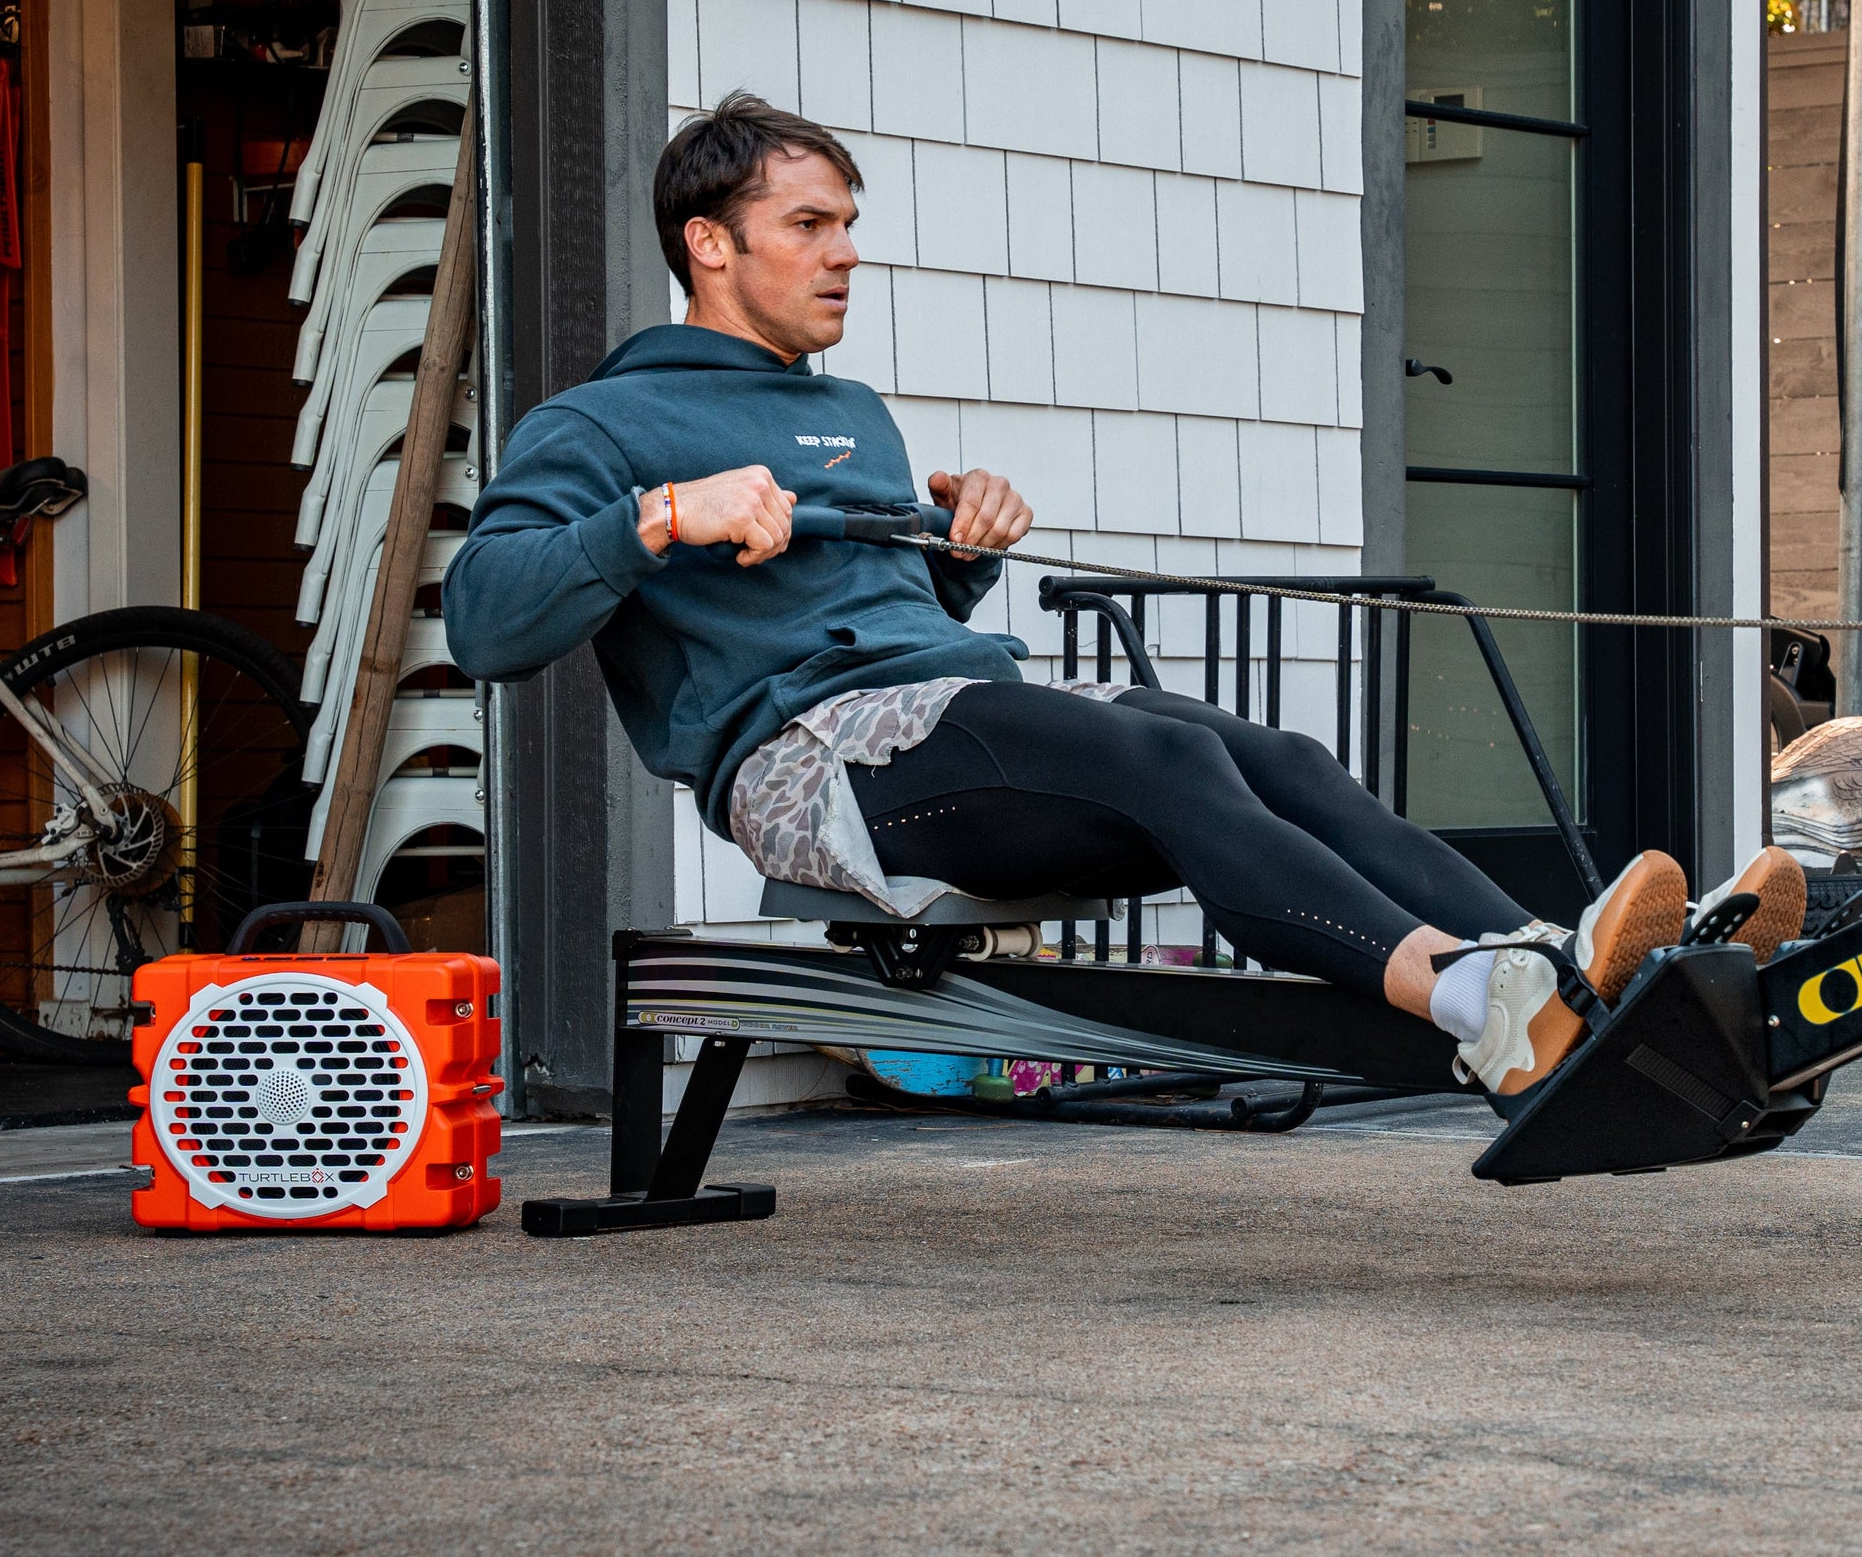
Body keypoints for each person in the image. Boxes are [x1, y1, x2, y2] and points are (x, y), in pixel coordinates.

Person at [444, 92, 1806, 1098]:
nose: (842, 253)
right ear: (707, 245)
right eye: (806, 226)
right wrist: (662, 516)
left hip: (944, 712)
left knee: (1266, 752)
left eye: (847, 225)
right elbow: (488, 618)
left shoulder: (842, 409)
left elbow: (878, 598)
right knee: (1147, 744)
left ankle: (1557, 966)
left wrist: (955, 545)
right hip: (813, 770)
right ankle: (1476, 1002)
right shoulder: (601, 425)